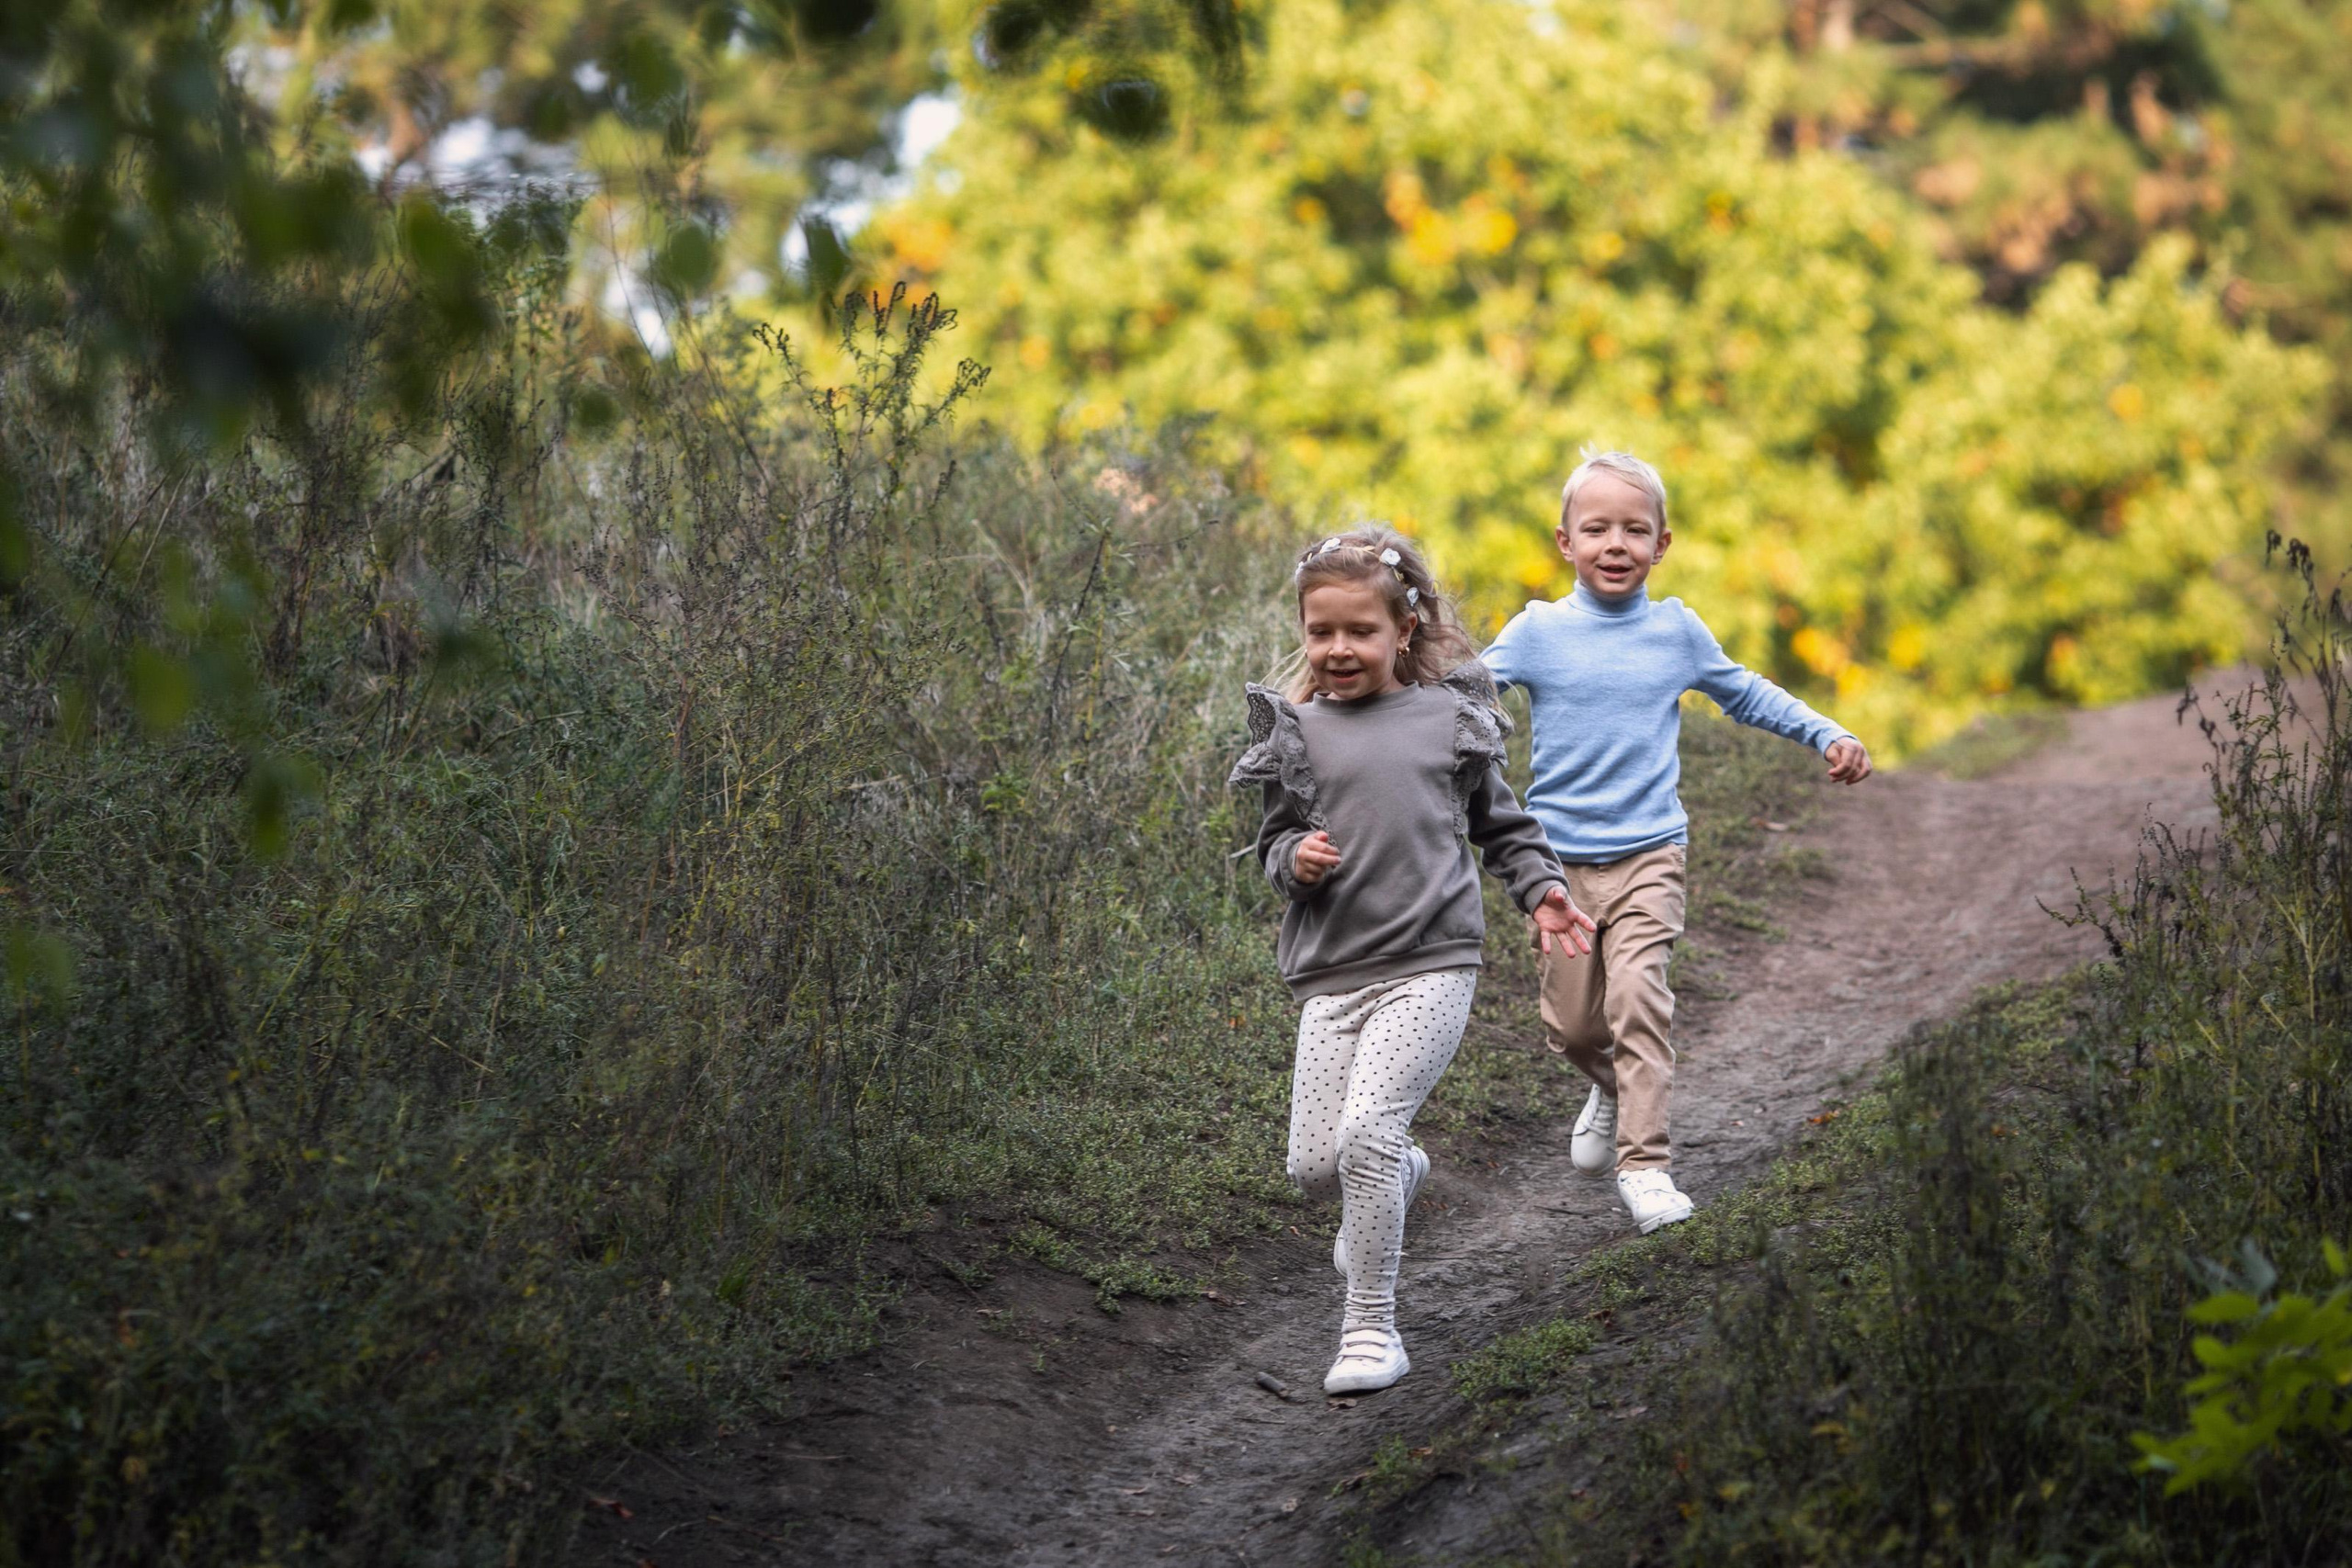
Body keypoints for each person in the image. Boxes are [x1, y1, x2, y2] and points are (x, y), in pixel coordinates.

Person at [1230, 527, 1597, 1396]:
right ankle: (1395, 1173)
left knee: (1367, 1132)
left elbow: (1499, 825)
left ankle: (1370, 1327)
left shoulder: (1448, 719)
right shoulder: (1301, 732)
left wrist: (1540, 890)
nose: (1338, 650)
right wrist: (1295, 862)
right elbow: (1275, 839)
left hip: (1433, 961)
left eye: (1360, 631)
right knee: (1314, 1168)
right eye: (1321, 632)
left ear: (1404, 628)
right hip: (1333, 973)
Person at [1483, 449, 1873, 1235]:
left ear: (1663, 544)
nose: (1616, 544)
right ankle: (1612, 1085)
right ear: (1565, 541)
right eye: (1597, 529)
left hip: (1650, 854)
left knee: (1638, 1002)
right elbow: (1462, 699)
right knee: (1572, 1029)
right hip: (1556, 869)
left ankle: (1648, 1166)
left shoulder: (1676, 631)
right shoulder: (1537, 631)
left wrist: (1827, 730)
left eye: (1635, 529)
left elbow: (1747, 693)